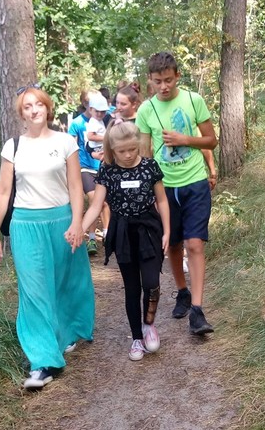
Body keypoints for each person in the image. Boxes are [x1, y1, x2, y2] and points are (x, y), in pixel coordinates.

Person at [0, 85, 95, 390]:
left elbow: (75, 186)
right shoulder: (13, 147)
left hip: (61, 221)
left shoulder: (65, 142)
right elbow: (3, 192)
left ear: (48, 108)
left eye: (38, 104)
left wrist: (77, 223)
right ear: (21, 114)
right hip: (25, 225)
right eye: (27, 106)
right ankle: (43, 362)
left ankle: (65, 332)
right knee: (34, 291)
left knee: (64, 282)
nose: (34, 110)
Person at [135, 52, 218, 335]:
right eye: (158, 81)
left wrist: (186, 139)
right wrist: (147, 189)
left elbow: (211, 140)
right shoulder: (146, 110)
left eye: (168, 80)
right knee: (173, 244)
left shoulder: (193, 100)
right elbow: (145, 153)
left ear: (177, 76)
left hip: (195, 182)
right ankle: (182, 291)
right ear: (150, 79)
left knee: (195, 244)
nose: (164, 86)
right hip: (164, 187)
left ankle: (197, 310)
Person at [80, 120, 170, 360]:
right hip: (122, 232)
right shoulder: (107, 170)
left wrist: (167, 231)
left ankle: (149, 324)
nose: (128, 155)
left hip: (149, 229)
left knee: (151, 283)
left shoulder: (150, 166)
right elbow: (96, 205)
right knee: (131, 288)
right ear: (112, 149)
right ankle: (137, 338)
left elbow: (161, 200)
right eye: (122, 151)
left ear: (138, 144)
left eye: (132, 149)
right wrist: (80, 228)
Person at [68, 91, 104, 254]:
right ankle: (91, 238)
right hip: (84, 166)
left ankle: (105, 234)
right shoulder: (77, 123)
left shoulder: (104, 120)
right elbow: (71, 147)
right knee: (93, 198)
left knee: (104, 203)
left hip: (102, 165)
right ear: (85, 104)